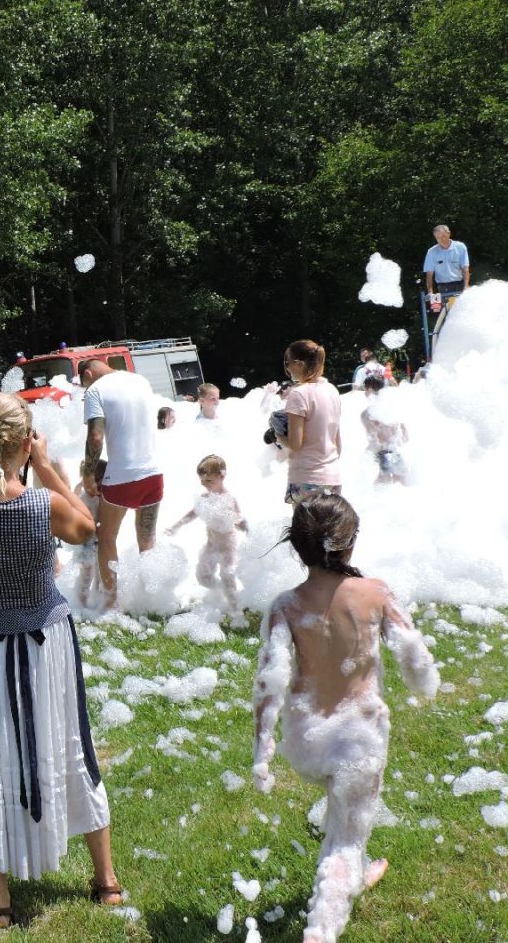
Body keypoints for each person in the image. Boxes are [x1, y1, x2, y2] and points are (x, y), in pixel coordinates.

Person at [0, 393, 117, 928]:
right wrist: (47, 466)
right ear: (24, 442)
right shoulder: (43, 504)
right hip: (42, 640)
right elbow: (87, 527)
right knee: (68, 742)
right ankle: (105, 879)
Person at [252, 495, 438, 943]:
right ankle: (322, 927)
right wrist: (424, 682)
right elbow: (415, 657)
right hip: (357, 736)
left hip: (306, 738)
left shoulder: (285, 605)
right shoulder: (375, 593)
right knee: (346, 841)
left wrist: (263, 750)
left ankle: (351, 872)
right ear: (349, 543)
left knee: (344, 818)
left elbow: (269, 681)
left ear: (298, 547)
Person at [80, 358, 163, 608]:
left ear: (88, 374)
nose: (85, 389)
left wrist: (88, 474)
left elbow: (96, 437)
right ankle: (151, 600)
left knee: (106, 536)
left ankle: (111, 603)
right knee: (147, 538)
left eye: (83, 384)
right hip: (154, 472)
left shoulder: (95, 390)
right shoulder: (140, 380)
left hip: (121, 476)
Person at [166, 455, 248, 610]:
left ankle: (236, 610)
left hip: (228, 545)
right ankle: (220, 594)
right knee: (202, 577)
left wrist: (245, 526)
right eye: (202, 481)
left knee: (228, 575)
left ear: (222, 476)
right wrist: (176, 526)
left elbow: (238, 518)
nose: (204, 484)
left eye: (209, 480)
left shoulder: (229, 498)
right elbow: (193, 513)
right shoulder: (205, 497)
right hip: (211, 544)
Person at [277, 340, 342, 506]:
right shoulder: (332, 390)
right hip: (332, 477)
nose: (287, 369)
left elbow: (295, 444)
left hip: (307, 478)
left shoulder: (298, 394)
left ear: (299, 364)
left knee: (305, 524)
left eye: (287, 363)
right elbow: (337, 442)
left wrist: (277, 435)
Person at [360, 377, 409, 484]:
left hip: (383, 453)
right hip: (395, 450)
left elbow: (373, 438)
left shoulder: (367, 414)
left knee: (382, 484)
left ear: (370, 390)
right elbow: (405, 434)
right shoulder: (391, 407)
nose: (364, 393)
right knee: (403, 481)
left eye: (365, 389)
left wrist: (368, 456)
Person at [71, 459, 105, 608]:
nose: (98, 488)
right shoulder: (82, 496)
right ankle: (81, 603)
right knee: (86, 573)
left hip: (98, 542)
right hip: (85, 543)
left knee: (100, 572)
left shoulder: (100, 497)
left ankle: (98, 599)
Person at [423, 224, 470, 313]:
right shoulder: (431, 252)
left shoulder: (460, 247)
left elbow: (465, 269)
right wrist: (430, 292)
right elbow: (429, 274)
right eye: (438, 238)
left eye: (443, 236)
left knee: (462, 312)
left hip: (459, 284)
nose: (441, 240)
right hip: (442, 287)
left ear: (449, 234)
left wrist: (466, 286)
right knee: (444, 313)